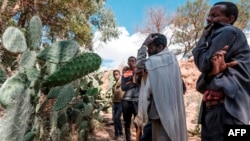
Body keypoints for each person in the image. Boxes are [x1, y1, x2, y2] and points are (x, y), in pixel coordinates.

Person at [192, 1, 250, 141]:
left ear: (230, 19)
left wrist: (203, 37)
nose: (209, 19)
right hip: (219, 112)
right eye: (209, 15)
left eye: (214, 15)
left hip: (227, 112)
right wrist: (211, 73)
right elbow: (200, 84)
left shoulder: (228, 31)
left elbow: (204, 64)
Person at [135, 33, 187, 141]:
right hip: (161, 111)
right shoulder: (171, 59)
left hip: (160, 112)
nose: (148, 51)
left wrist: (144, 45)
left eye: (151, 47)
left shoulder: (160, 60)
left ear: (160, 47)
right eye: (148, 48)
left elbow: (139, 64)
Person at [121, 56, 140, 141]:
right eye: (130, 61)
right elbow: (123, 87)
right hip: (126, 100)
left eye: (133, 61)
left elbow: (141, 84)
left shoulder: (140, 71)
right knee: (127, 123)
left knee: (138, 123)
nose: (131, 62)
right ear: (128, 63)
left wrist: (130, 83)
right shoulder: (125, 74)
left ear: (136, 62)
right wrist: (133, 83)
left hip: (138, 100)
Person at [111, 69, 124, 140]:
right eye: (114, 75)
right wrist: (112, 103)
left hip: (120, 103)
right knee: (114, 120)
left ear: (120, 74)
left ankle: (120, 134)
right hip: (114, 104)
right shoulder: (114, 85)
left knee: (117, 118)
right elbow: (113, 95)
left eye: (116, 74)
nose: (115, 76)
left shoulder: (122, 82)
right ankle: (116, 134)